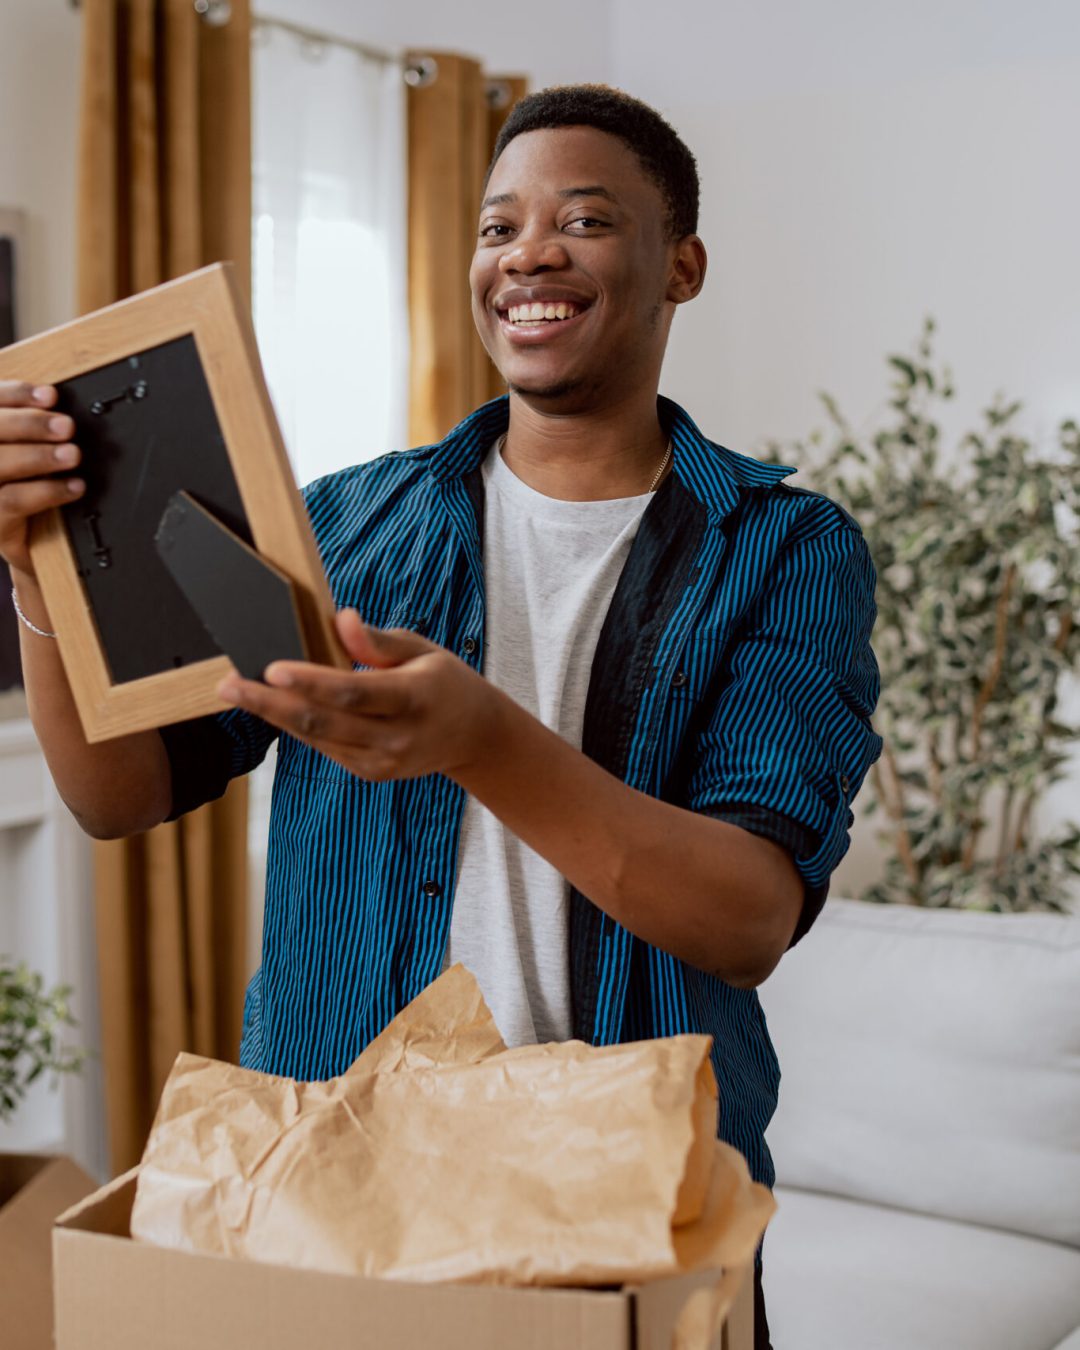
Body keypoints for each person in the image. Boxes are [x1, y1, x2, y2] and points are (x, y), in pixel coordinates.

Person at [0, 85, 883, 1347]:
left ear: (680, 266)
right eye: (494, 226)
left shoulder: (786, 550)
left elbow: (744, 919)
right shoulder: (345, 524)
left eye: (583, 217)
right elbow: (116, 793)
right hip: (335, 1194)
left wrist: (482, 740)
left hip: (625, 1213)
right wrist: (35, 569)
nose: (528, 251)